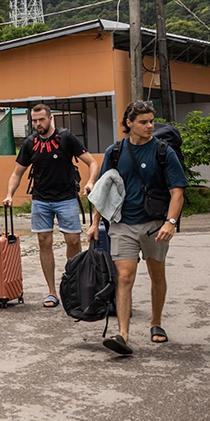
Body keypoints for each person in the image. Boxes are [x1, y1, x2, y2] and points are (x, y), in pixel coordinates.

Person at [89, 101, 186, 356]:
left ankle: (156, 322)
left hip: (154, 224)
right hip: (122, 224)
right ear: (129, 123)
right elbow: (103, 190)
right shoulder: (115, 152)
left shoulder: (164, 152)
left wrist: (170, 222)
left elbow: (177, 192)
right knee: (124, 277)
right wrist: (95, 223)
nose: (149, 126)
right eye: (143, 122)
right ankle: (123, 335)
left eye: (151, 121)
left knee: (156, 274)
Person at [4, 103, 100, 309]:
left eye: (41, 119)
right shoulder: (30, 143)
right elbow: (17, 173)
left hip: (66, 198)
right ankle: (51, 292)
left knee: (73, 241)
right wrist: (9, 194)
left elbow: (93, 162)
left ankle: (73, 286)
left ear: (50, 119)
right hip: (41, 199)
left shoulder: (66, 138)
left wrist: (91, 182)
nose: (38, 124)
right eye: (34, 120)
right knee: (43, 241)